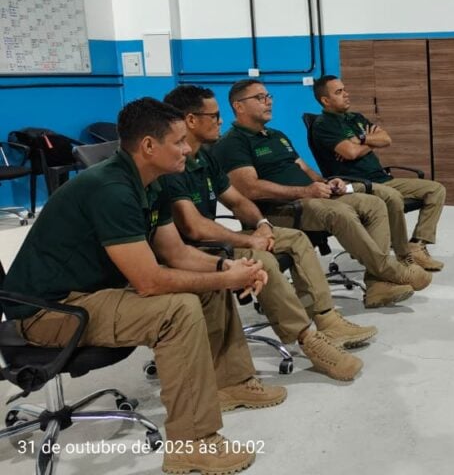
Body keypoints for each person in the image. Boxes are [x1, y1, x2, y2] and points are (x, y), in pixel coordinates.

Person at [2, 98, 285, 475]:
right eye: (180, 141)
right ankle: (192, 445)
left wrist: (228, 267)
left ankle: (230, 382)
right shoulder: (111, 189)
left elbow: (177, 253)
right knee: (177, 310)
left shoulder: (152, 183)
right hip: (48, 310)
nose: (188, 149)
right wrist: (226, 276)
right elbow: (149, 282)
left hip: (88, 295)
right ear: (149, 146)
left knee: (205, 286)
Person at [163, 85, 375, 381]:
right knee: (262, 256)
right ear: (190, 120)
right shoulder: (172, 165)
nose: (220, 121)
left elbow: (236, 199)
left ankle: (327, 319)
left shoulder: (205, 157)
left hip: (216, 241)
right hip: (191, 250)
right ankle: (307, 339)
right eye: (214, 116)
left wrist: (262, 224)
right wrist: (249, 239)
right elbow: (193, 227)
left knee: (296, 239)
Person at [211, 79, 431, 308]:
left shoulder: (277, 135)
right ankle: (390, 270)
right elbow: (250, 188)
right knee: (341, 211)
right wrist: (306, 191)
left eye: (269, 97)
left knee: (374, 203)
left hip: (311, 196)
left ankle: (377, 285)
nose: (268, 102)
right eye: (259, 98)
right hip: (281, 209)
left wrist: (327, 182)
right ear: (239, 106)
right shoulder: (232, 143)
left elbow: (305, 170)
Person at [311, 75, 446, 272]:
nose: (346, 94)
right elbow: (350, 152)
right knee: (393, 198)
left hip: (382, 178)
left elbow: (386, 139)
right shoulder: (323, 125)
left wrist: (361, 139)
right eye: (339, 92)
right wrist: (370, 142)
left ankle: (417, 245)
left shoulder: (355, 118)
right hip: (355, 184)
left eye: (345, 89)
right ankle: (402, 256)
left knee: (435, 190)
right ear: (325, 100)